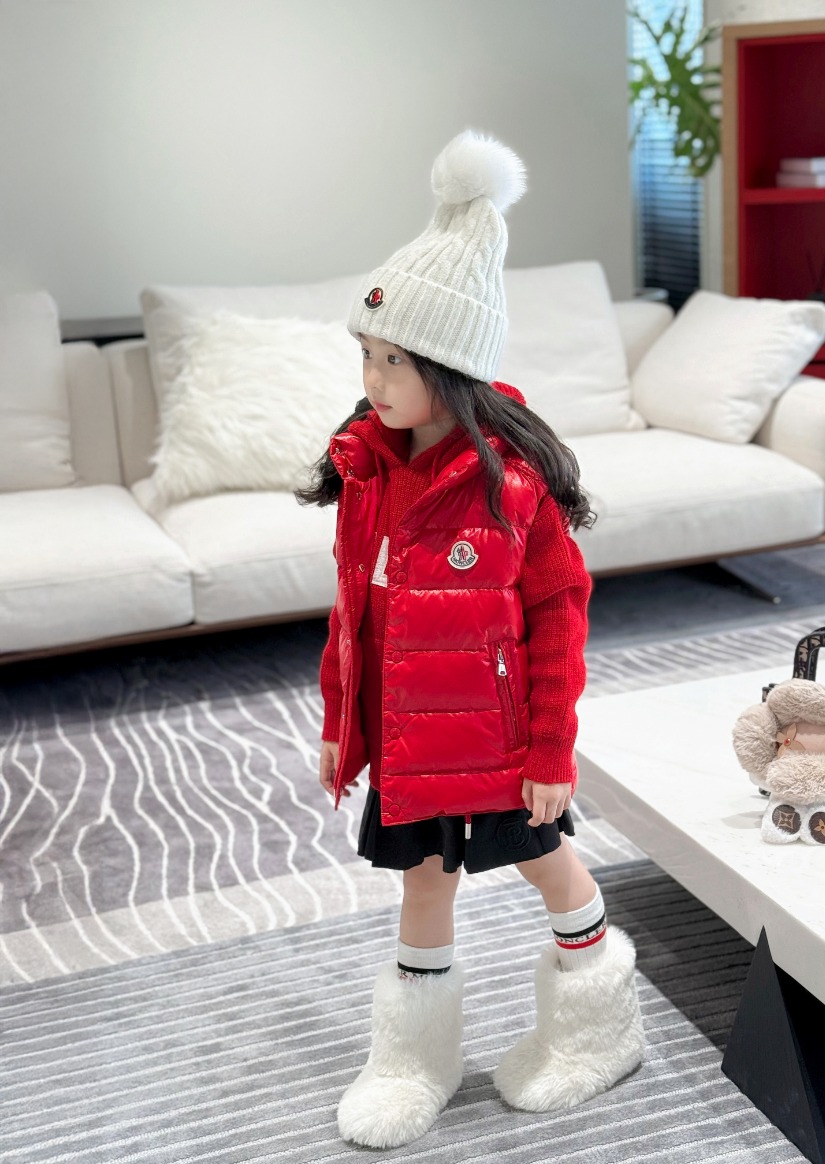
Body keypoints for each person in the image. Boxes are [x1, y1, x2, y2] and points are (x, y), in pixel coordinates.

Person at [298, 130, 645, 1150]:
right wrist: (341, 725)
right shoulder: (367, 470)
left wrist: (550, 753)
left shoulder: (514, 487)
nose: (373, 379)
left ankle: (598, 1025)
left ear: (450, 368)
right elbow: (353, 616)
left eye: (393, 360)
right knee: (423, 883)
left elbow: (558, 621)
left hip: (497, 746)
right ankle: (414, 1060)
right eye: (367, 356)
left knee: (551, 868)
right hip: (411, 745)